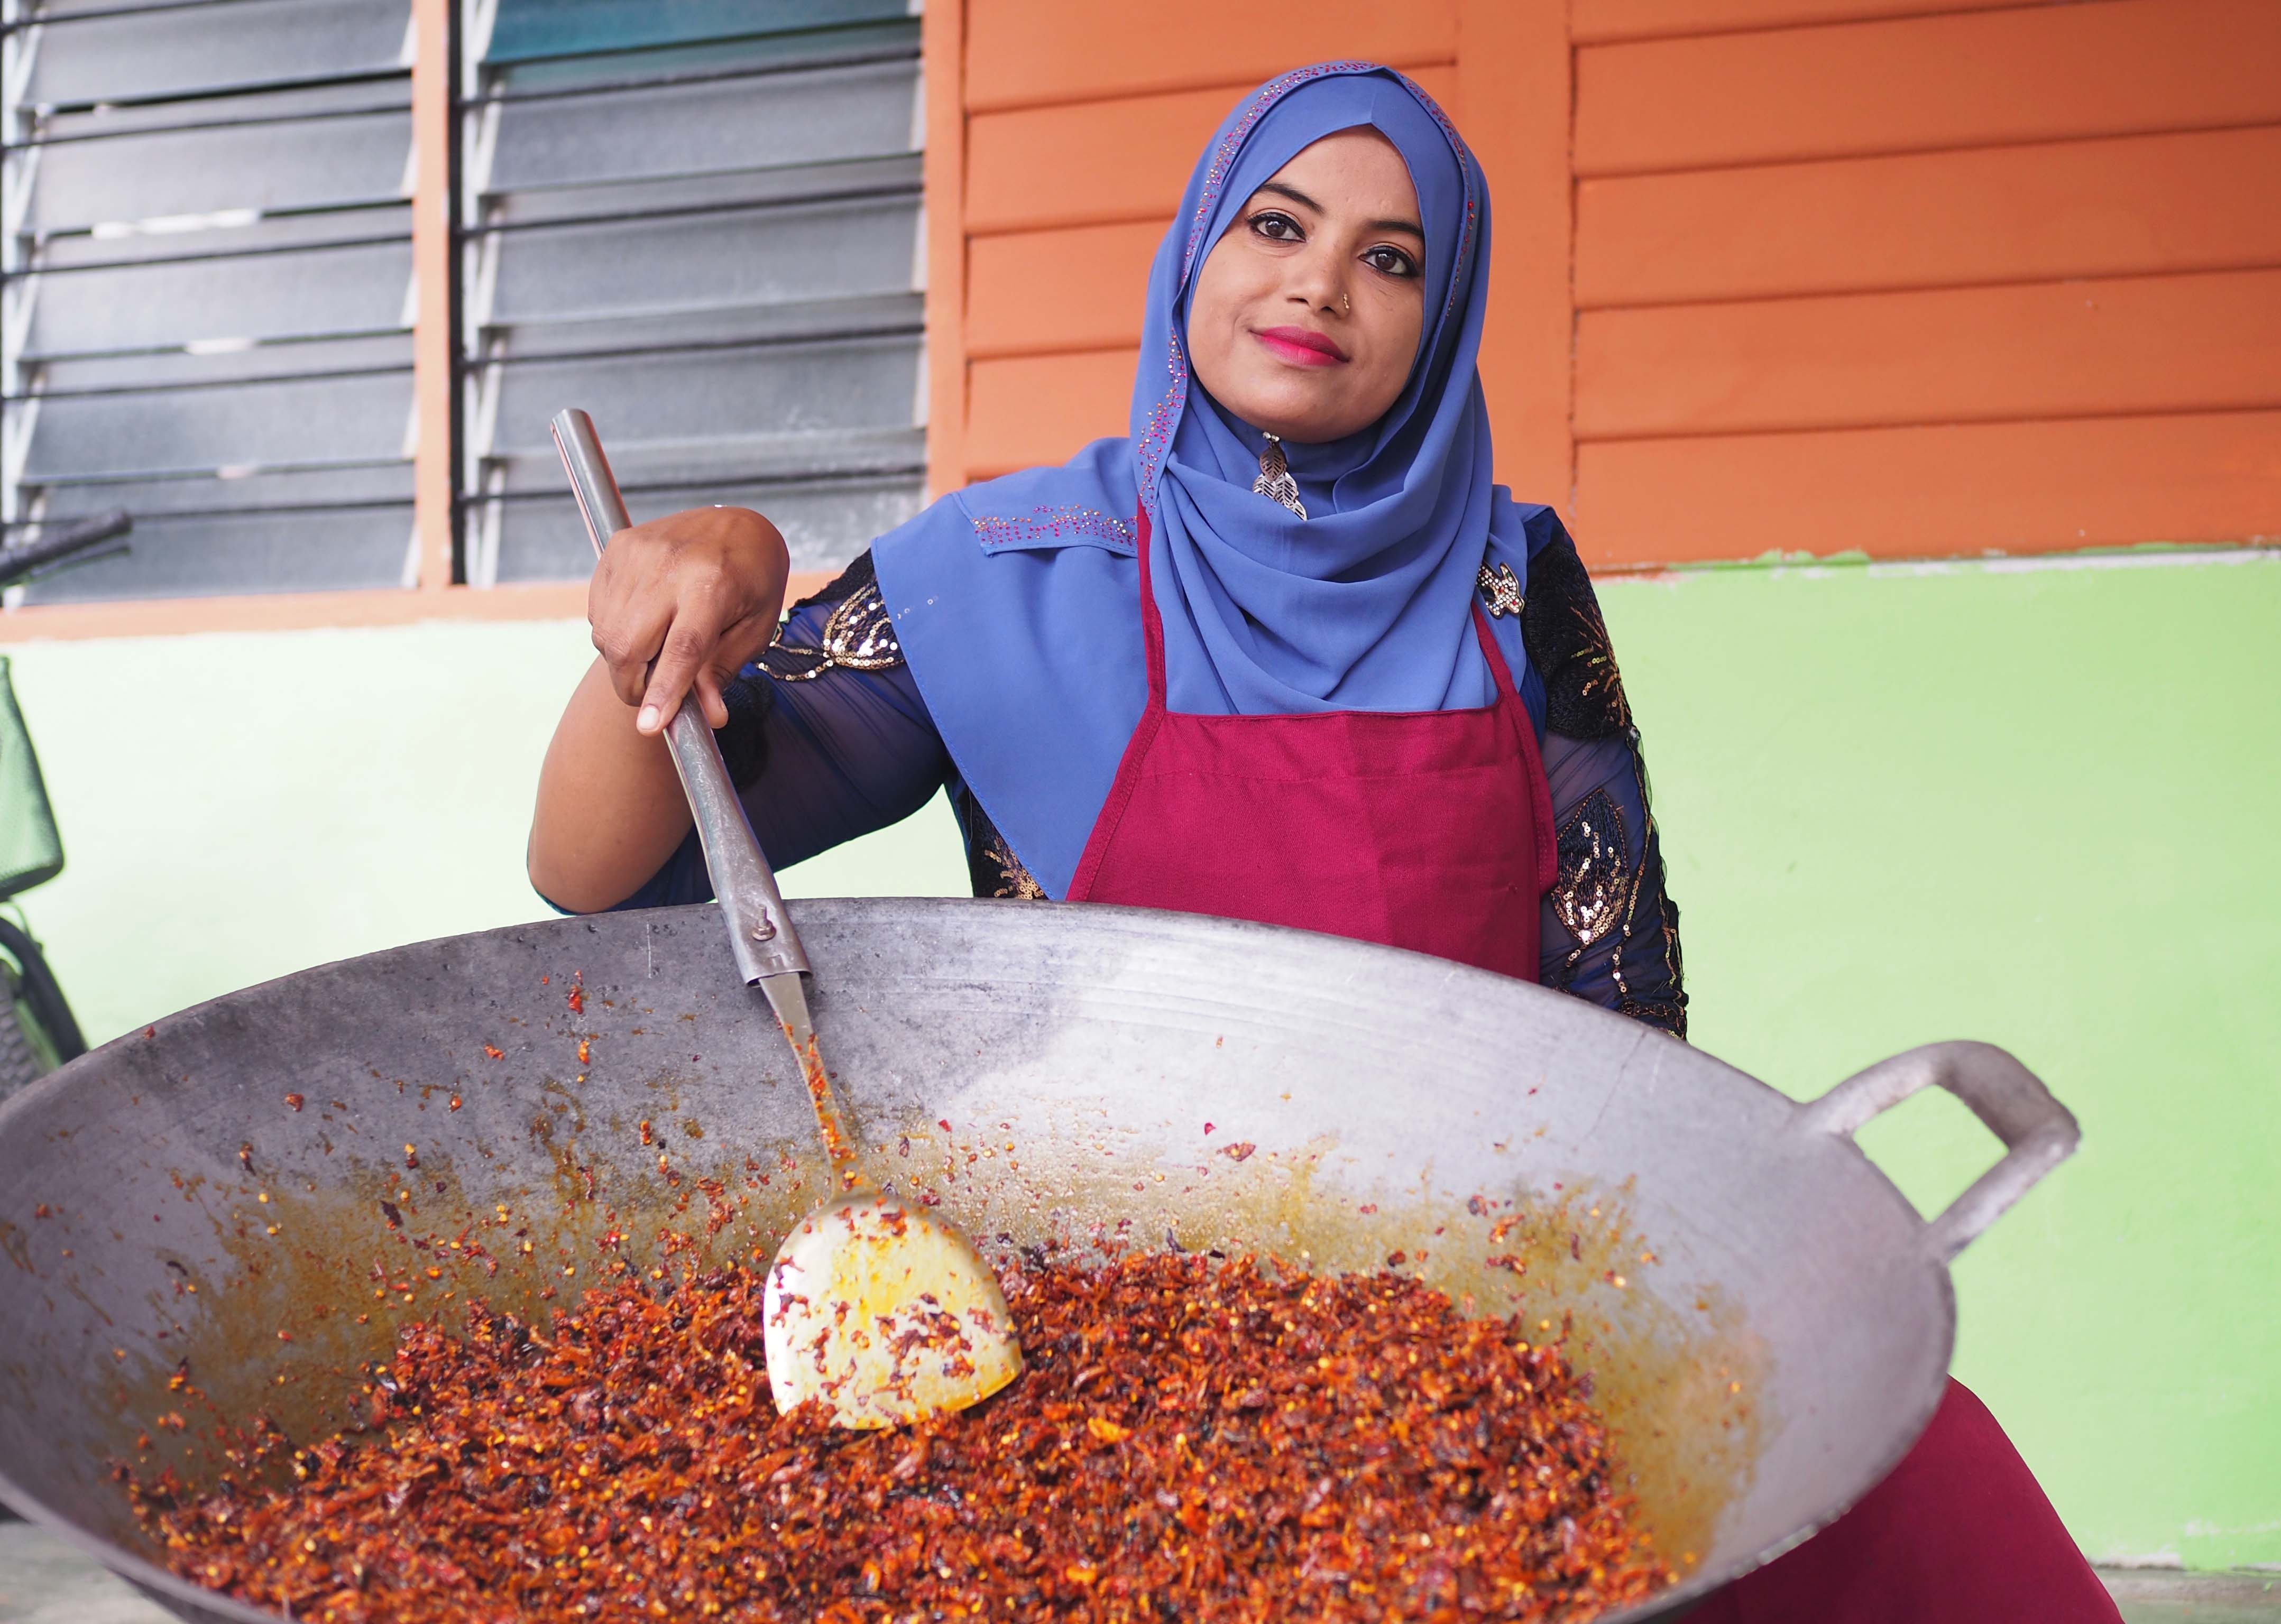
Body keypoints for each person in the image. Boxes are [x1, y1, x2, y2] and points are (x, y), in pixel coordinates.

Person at [529, 60, 2113, 1623]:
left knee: (1915, 1482)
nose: (1320, 285)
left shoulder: (1513, 588)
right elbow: (609, 876)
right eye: (1277, 226)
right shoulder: (1003, 572)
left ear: (1445, 314)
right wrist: (699, 592)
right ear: (1198, 252)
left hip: (1465, 1332)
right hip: (1090, 1352)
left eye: (1391, 259)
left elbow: (1627, 1024)